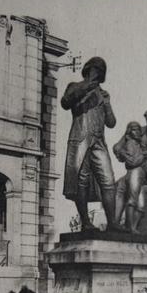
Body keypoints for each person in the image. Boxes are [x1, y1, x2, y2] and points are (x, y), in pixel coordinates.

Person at [61, 56, 125, 232]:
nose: (98, 73)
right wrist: (85, 87)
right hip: (80, 139)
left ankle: (112, 223)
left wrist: (107, 104)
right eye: (96, 69)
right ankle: (86, 223)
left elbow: (111, 123)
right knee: (80, 180)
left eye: (101, 71)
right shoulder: (75, 86)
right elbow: (65, 102)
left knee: (108, 181)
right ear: (88, 70)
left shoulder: (103, 94)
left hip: (98, 142)